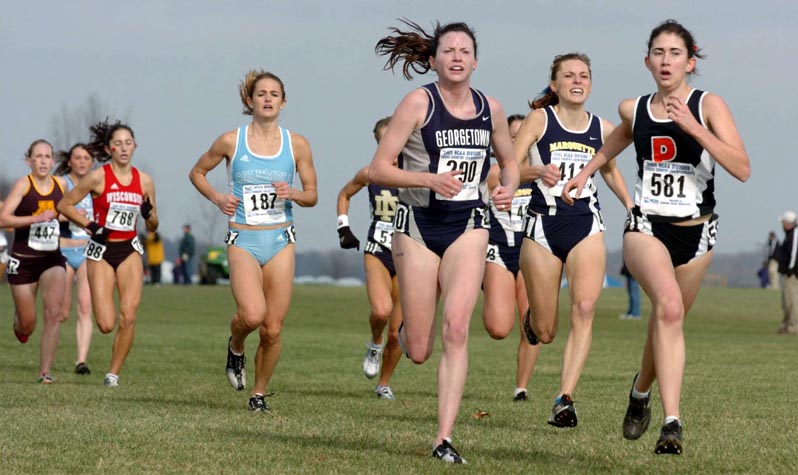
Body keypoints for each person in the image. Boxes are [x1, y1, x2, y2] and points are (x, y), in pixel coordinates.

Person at [562, 20, 750, 455]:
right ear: (647, 61)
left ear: (691, 61)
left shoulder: (708, 105)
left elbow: (741, 168)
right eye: (658, 53)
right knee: (666, 307)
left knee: (668, 320)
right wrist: (585, 174)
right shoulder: (636, 108)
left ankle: (640, 392)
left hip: (697, 233)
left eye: (675, 53)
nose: (666, 61)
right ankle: (672, 422)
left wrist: (696, 128)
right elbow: (618, 140)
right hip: (646, 226)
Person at [369, 20, 520, 464]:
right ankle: (407, 328)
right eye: (448, 50)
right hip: (416, 225)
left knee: (456, 327)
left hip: (469, 224)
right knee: (418, 349)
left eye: (464, 50)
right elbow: (379, 168)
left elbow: (509, 161)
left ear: (475, 60)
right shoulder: (418, 102)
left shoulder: (490, 107)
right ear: (433, 60)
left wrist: (507, 186)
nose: (456, 56)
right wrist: (427, 179)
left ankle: (443, 438)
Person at [513, 53, 633, 429]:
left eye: (583, 76)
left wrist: (631, 206)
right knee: (545, 332)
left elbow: (610, 171)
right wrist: (534, 171)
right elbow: (508, 171)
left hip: (586, 225)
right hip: (542, 228)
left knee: (583, 309)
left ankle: (564, 399)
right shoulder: (539, 120)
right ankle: (534, 318)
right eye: (569, 76)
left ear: (591, 84)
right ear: (555, 84)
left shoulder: (602, 127)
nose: (577, 81)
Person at [189, 69, 318, 413]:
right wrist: (218, 198)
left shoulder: (298, 144)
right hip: (243, 238)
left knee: (273, 329)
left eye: (274, 94)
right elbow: (197, 172)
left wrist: (293, 193)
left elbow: (313, 195)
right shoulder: (232, 141)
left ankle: (258, 394)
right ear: (250, 101)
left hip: (280, 240)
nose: (267, 99)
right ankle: (235, 346)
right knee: (252, 314)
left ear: (283, 101)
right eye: (261, 93)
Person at [58, 120, 160, 388]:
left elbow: (153, 225)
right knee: (105, 323)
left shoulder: (145, 180)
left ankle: (113, 373)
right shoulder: (97, 177)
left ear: (134, 146)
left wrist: (150, 216)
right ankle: (106, 350)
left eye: (128, 143)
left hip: (129, 249)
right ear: (109, 148)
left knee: (129, 315)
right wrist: (90, 226)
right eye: (118, 143)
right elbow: (64, 205)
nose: (124, 148)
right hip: (101, 251)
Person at [336, 116, 403, 400]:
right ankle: (374, 343)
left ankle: (384, 383)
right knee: (380, 311)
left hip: (409, 256)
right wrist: (343, 226)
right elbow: (344, 193)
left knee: (398, 332)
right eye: (383, 143)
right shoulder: (369, 173)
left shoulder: (420, 173)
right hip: (378, 249)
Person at [480, 114, 541, 402]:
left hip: (531, 252)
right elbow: (505, 177)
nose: (518, 140)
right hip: (499, 248)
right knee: (498, 328)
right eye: (512, 136)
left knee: (533, 325)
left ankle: (521, 388)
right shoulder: (495, 172)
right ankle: (485, 286)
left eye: (523, 135)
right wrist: (541, 172)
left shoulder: (543, 170)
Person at [0, 139, 67, 383]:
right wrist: (35, 218)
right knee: (28, 324)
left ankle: (45, 373)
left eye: (47, 156)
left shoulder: (61, 184)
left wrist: (84, 223)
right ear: (29, 160)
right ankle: (19, 323)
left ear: (53, 161)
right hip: (23, 261)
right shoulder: (23, 185)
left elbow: (68, 211)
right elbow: (3, 219)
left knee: (53, 314)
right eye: (38, 156)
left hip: (51, 260)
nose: (43, 161)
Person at [55, 143, 96, 375]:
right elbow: (50, 211)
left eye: (86, 158)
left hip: (87, 250)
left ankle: (81, 361)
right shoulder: (62, 183)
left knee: (85, 305)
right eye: (77, 157)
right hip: (63, 249)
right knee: (62, 311)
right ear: (69, 161)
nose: (81, 161)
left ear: (91, 162)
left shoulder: (95, 184)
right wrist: (70, 215)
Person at [777, 211, 797, 335]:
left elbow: (793, 253)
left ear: (788, 223)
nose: (782, 225)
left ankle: (794, 326)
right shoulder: (789, 234)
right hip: (787, 273)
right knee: (786, 301)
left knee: (792, 300)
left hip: (792, 274)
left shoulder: (794, 234)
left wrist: (790, 270)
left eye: (783, 222)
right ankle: (786, 324)